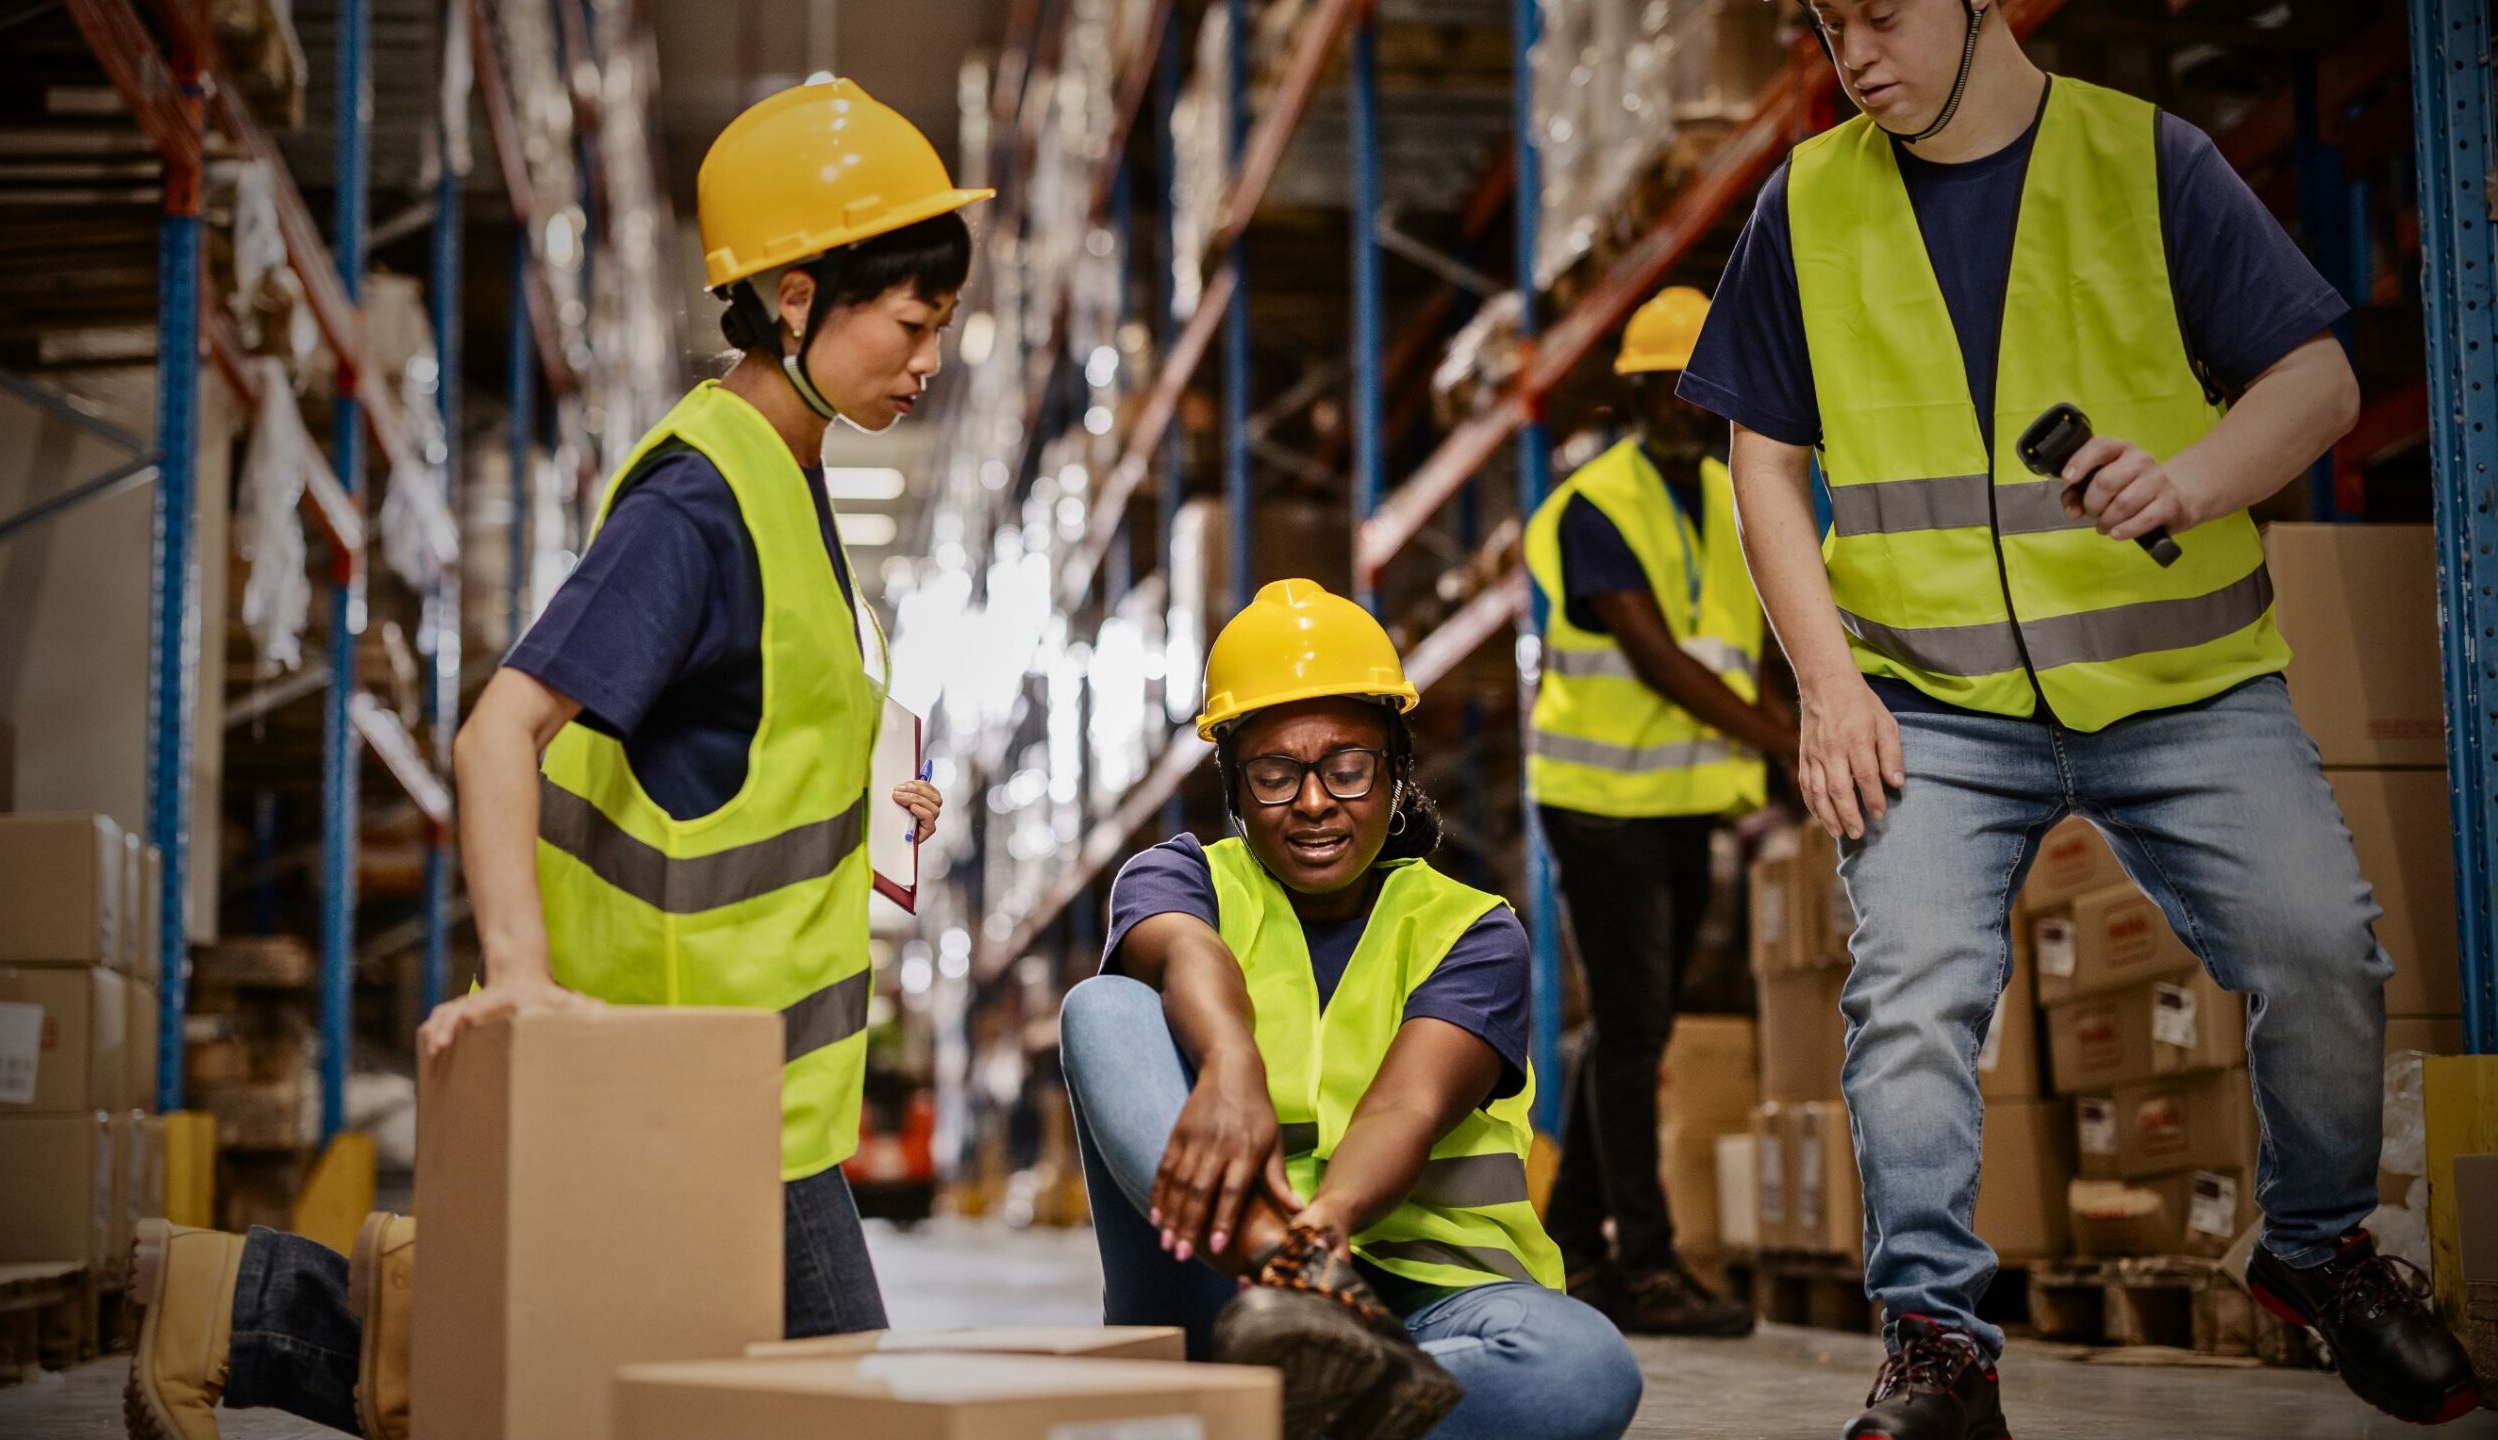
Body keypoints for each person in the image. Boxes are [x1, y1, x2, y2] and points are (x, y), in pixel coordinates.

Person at [122, 78, 984, 1440]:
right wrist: (520, 981)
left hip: (745, 1078)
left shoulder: (792, 478)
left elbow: (743, 744)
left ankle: (241, 1306)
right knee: (818, 1417)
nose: (933, 359)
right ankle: (254, 1311)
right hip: (679, 1071)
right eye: (915, 323)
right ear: (802, 296)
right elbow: (497, 733)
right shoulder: (701, 499)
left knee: (586, 1376)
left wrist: (873, 803)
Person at [1674, 2, 2479, 1436]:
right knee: (1908, 1001)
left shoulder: (2145, 160)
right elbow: (1765, 467)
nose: (1854, 51)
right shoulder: (1805, 204)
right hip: (1937, 700)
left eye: (1885, 14)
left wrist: (2191, 481)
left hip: (2178, 682)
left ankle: (2317, 1251)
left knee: (2323, 955)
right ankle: (1937, 1340)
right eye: (1824, 18)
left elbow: (2318, 382)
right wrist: (1828, 682)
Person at [1059, 579, 1644, 1440]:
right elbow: (1184, 951)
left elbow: (1407, 1107)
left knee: (1586, 1369)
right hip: (1219, 1289)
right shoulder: (1181, 879)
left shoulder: (1471, 931)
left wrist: (1323, 1243)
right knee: (1102, 1006)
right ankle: (1312, 1377)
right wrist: (1232, 1065)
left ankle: (1293, 1405)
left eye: (1347, 768)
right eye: (1274, 773)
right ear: (1233, 783)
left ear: (1395, 771)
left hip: (1426, 1305)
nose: (1313, 802)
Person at [1522, 284, 1797, 1337]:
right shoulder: (1596, 504)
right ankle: (1642, 1263)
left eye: (1700, 390)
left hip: (1684, 803)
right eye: (1666, 391)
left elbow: (1751, 642)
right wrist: (1783, 743)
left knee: (1637, 1027)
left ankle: (1580, 1242)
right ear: (1634, 396)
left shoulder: (1738, 491)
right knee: (1634, 1031)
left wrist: (1793, 737)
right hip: (1597, 803)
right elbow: (1657, 657)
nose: (1687, 409)